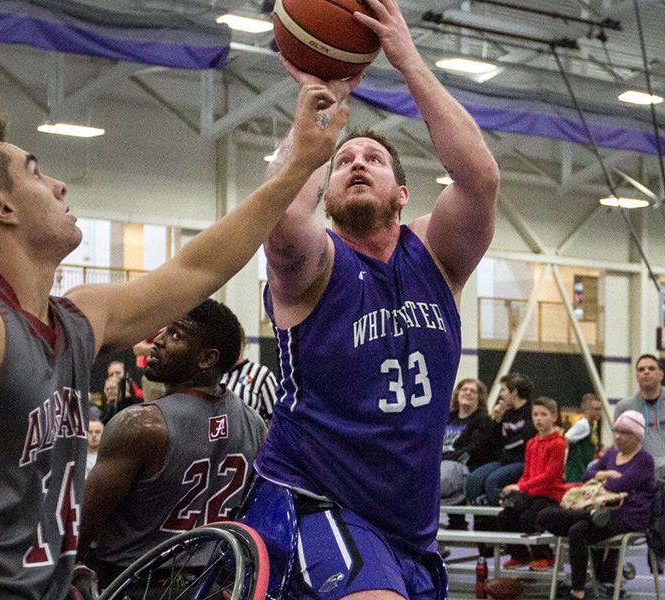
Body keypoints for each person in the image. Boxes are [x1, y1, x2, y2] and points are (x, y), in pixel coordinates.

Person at [0, 83, 348, 600]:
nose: (59, 186)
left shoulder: (77, 320)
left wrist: (299, 164)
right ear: (0, 207)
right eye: (35, 174)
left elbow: (201, 265)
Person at [246, 0, 500, 596]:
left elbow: (482, 178)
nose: (357, 162)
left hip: (409, 524)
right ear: (326, 195)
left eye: (375, 159)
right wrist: (321, 110)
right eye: (344, 163)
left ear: (404, 193)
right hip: (311, 500)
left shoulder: (437, 255)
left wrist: (407, 58)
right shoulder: (314, 264)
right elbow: (281, 218)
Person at [79, 300, 267, 586]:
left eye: (176, 335)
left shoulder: (142, 424)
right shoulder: (255, 425)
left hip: (131, 583)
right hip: (210, 585)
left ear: (206, 359)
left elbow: (81, 527)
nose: (158, 341)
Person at [537, 410, 657, 600]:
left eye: (624, 433)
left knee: (570, 526)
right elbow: (587, 475)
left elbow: (621, 484)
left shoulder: (644, 460)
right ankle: (579, 590)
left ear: (637, 435)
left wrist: (601, 478)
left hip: (629, 515)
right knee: (562, 524)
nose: (618, 437)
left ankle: (578, 590)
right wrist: (605, 474)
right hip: (604, 510)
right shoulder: (611, 455)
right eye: (616, 431)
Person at [496, 397, 567, 571]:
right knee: (505, 516)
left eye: (543, 414)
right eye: (535, 414)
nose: (538, 419)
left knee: (528, 517)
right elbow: (526, 473)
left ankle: (546, 555)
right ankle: (519, 554)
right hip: (531, 494)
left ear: (554, 417)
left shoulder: (559, 443)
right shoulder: (531, 443)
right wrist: (514, 492)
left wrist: (521, 487)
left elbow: (550, 476)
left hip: (550, 495)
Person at [466, 372, 536, 506]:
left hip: (522, 461)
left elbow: (524, 441)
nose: (501, 395)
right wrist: (496, 420)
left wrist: (507, 444)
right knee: (474, 479)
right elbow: (495, 442)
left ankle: (498, 511)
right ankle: (480, 518)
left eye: (503, 390)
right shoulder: (507, 414)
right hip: (505, 460)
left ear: (514, 392)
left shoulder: (531, 412)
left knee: (493, 481)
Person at [441, 378, 497, 529]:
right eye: (464, 389)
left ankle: (456, 522)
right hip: (441, 463)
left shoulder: (483, 421)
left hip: (463, 465)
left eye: (473, 391)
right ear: (457, 393)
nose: (468, 393)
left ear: (479, 398)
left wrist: (445, 457)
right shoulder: (446, 418)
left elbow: (474, 448)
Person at [614, 354, 665, 477]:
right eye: (641, 369)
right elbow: (619, 446)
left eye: (651, 368)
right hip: (637, 479)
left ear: (661, 374)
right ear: (637, 376)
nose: (646, 372)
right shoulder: (623, 407)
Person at [221, 325, 279, 424]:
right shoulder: (216, 375)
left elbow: (276, 416)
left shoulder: (261, 374)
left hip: (253, 437)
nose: (231, 349)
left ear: (243, 345)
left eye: (236, 344)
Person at [564, 394, 604, 483]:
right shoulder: (583, 425)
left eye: (600, 409)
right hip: (576, 473)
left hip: (585, 470)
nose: (599, 412)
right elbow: (566, 438)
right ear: (587, 409)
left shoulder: (592, 426)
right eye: (596, 409)